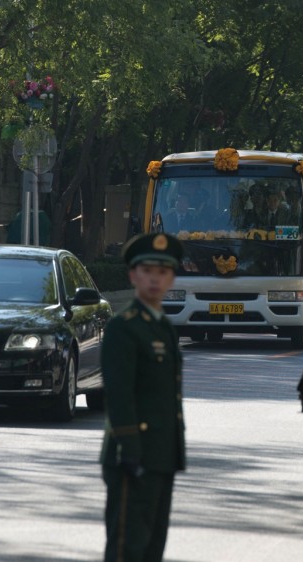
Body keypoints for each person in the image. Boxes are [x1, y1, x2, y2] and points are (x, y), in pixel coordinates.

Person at [100, 232, 186, 562]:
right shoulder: (123, 327)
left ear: (171, 278)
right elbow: (119, 394)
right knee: (127, 548)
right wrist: (130, 450)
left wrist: (174, 452)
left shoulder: (163, 326)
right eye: (147, 270)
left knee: (152, 549)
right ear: (132, 275)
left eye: (163, 272)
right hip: (132, 457)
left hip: (162, 456)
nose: (155, 278)